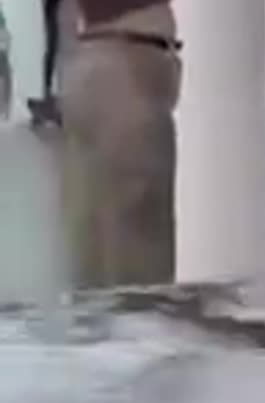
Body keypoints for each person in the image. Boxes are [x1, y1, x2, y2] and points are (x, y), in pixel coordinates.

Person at [60, 0, 181, 289]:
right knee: (135, 250)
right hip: (125, 58)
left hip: (108, 53)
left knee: (94, 237)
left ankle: (102, 328)